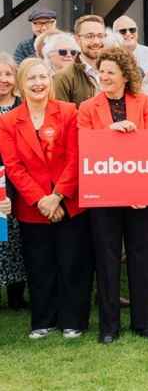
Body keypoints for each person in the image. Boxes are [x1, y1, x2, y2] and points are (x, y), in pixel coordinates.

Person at [0, 58, 92, 338]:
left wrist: (57, 197)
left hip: (68, 201)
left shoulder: (68, 111)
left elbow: (77, 157)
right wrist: (41, 200)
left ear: (50, 81)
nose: (38, 83)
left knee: (72, 262)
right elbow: (13, 166)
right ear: (21, 84)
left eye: (42, 77)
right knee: (39, 265)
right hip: (33, 207)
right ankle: (43, 321)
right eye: (31, 79)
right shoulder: (8, 120)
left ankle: (73, 321)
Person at [77, 46, 148, 343]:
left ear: (125, 75)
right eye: (102, 72)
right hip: (103, 197)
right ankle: (109, 326)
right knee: (107, 259)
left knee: (142, 258)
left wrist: (142, 191)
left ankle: (143, 323)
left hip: (139, 196)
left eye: (111, 72)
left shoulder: (145, 103)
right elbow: (84, 147)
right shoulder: (87, 108)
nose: (105, 77)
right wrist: (111, 131)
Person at [0, 54, 27, 311]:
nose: (3, 80)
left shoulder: (24, 106)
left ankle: (17, 295)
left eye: (7, 74)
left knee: (16, 238)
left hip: (18, 180)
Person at [53, 14, 105, 106]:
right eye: (90, 36)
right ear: (77, 39)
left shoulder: (117, 71)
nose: (96, 41)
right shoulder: (63, 78)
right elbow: (61, 117)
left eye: (100, 36)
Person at [113, 16, 148, 87]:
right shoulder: (110, 56)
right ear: (115, 34)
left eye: (132, 30)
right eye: (123, 31)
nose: (128, 33)